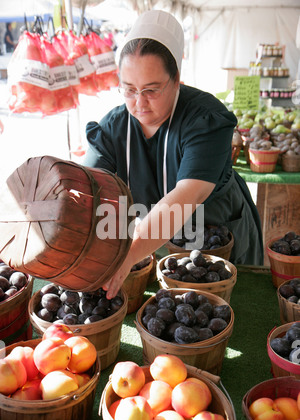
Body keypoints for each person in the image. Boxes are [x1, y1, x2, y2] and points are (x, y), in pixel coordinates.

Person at [84, 10, 263, 299]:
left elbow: (186, 197)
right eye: (128, 90)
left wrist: (127, 256)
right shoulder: (112, 129)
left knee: (235, 305)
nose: (139, 103)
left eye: (151, 90)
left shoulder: (206, 119)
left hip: (215, 237)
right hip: (149, 243)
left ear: (176, 77)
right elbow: (86, 192)